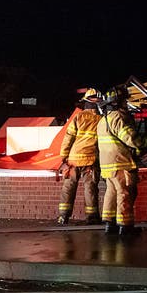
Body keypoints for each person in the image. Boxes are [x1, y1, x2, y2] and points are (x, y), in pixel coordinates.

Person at [97, 85, 147, 235]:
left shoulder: (103, 121)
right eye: (123, 102)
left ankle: (110, 224)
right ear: (118, 102)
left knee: (111, 192)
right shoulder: (118, 118)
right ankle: (125, 226)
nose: (125, 104)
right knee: (125, 193)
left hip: (107, 165)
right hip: (121, 163)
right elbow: (131, 139)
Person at [57, 88, 102, 225]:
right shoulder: (101, 120)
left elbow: (68, 138)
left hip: (73, 160)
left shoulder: (78, 117)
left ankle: (63, 217)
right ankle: (92, 217)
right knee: (90, 189)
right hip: (90, 161)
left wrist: (64, 157)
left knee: (68, 188)